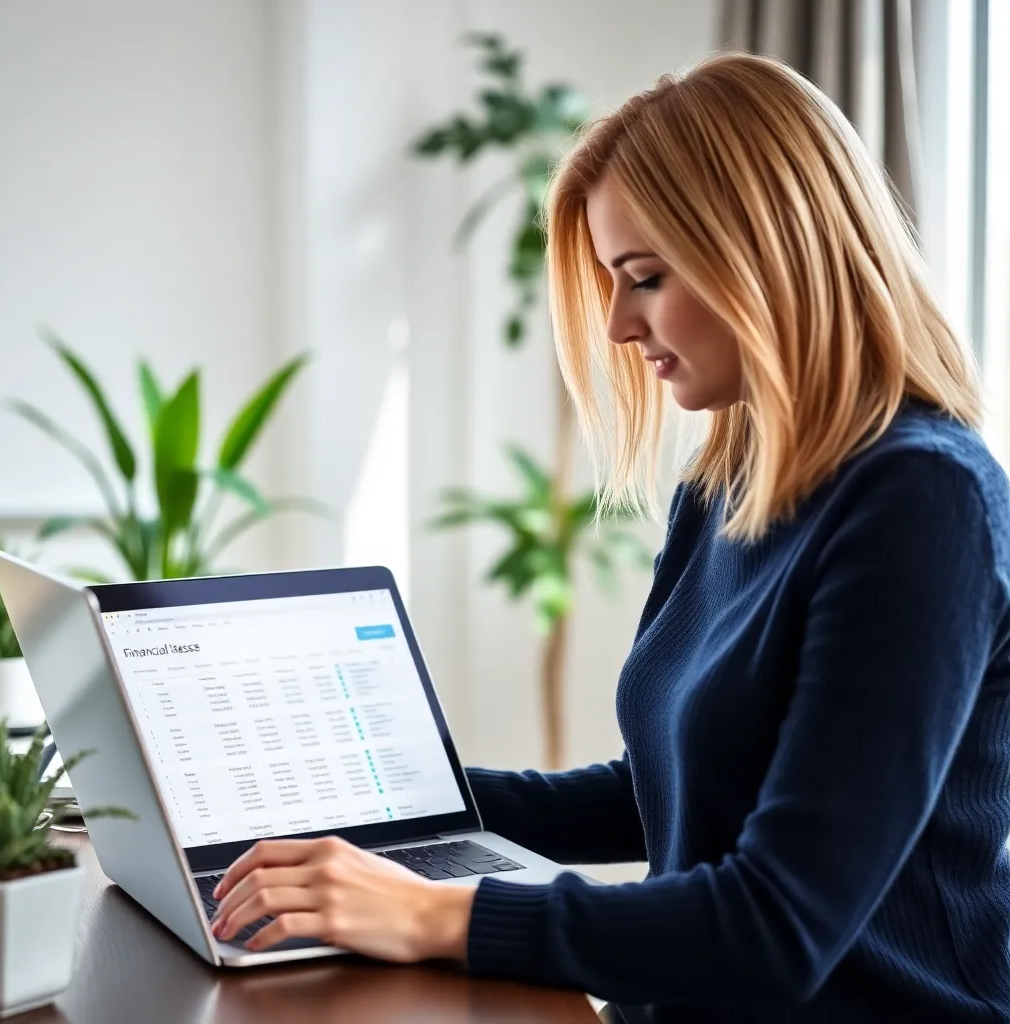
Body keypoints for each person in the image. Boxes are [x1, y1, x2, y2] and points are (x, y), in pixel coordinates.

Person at [208, 52, 1010, 1021]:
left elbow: (774, 926)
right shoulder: (729, 481)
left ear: (764, 252)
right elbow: (664, 789)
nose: (621, 325)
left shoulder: (922, 498)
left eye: (645, 277)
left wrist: (432, 913)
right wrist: (378, 807)